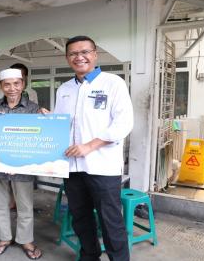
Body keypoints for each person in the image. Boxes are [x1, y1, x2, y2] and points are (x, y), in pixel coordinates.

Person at [50, 36, 133, 260]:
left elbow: (123, 123)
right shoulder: (64, 89)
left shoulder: (113, 83)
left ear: (95, 54)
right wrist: (49, 121)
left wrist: (90, 146)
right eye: (73, 54)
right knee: (81, 217)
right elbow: (62, 123)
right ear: (68, 59)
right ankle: (89, 256)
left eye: (84, 52)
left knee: (110, 221)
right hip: (72, 166)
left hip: (102, 167)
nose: (79, 57)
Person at [0, 68, 42, 260]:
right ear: (1, 86)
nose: (12, 88)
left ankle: (25, 240)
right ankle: (4, 238)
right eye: (7, 84)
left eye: (16, 83)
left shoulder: (33, 109)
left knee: (25, 205)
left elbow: (38, 137)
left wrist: (48, 119)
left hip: (22, 167)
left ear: (23, 85)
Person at [9, 63, 38, 211]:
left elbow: (34, 111)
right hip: (9, 137)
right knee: (8, 171)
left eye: (21, 74)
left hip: (25, 137)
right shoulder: (7, 90)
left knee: (24, 173)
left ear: (25, 76)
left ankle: (23, 204)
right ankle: (13, 201)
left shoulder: (31, 93)